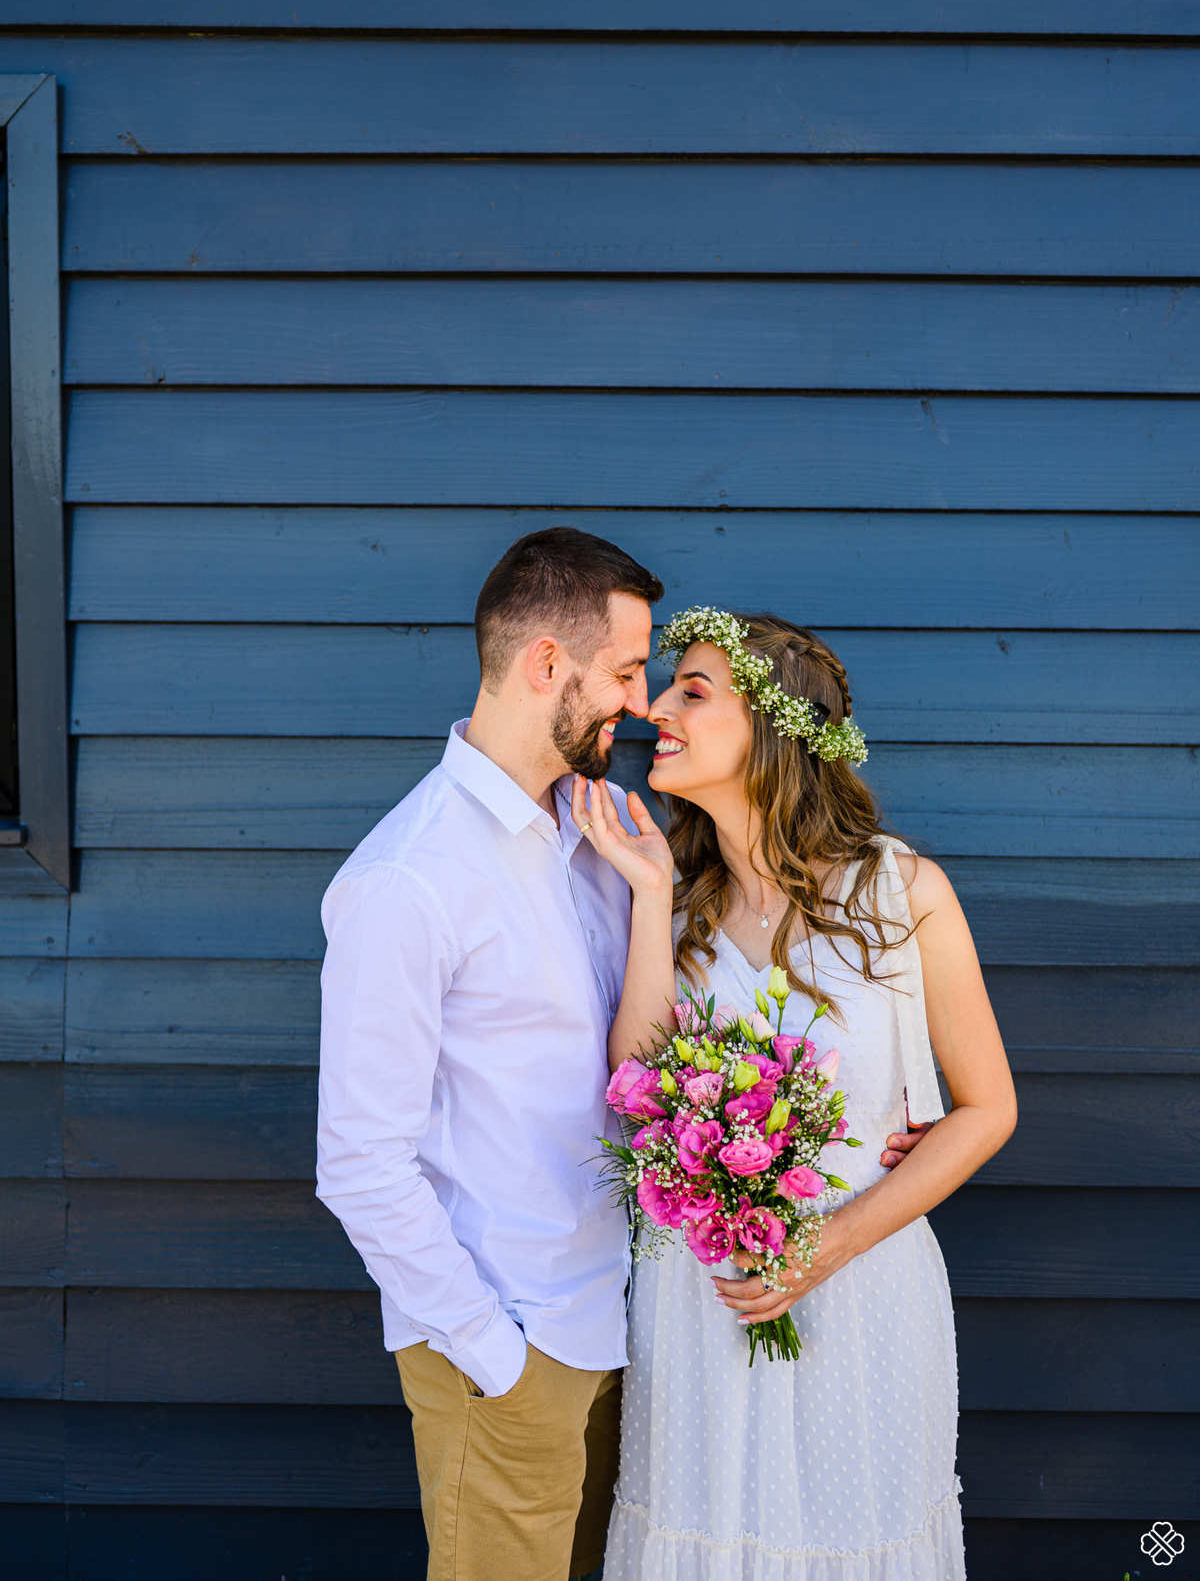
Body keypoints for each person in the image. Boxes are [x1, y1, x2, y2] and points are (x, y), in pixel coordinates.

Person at [572, 607, 1018, 1581]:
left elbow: (988, 1108)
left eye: (691, 691)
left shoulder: (902, 895)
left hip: (862, 1289)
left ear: (776, 728)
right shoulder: (678, 905)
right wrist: (649, 895)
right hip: (702, 1300)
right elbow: (637, 1088)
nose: (654, 709)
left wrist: (822, 1249)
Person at [315, 525, 664, 1581]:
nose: (642, 705)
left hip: (607, 1327)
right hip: (508, 1350)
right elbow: (359, 1164)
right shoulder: (407, 880)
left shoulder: (597, 837)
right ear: (545, 665)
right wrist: (497, 1356)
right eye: (628, 671)